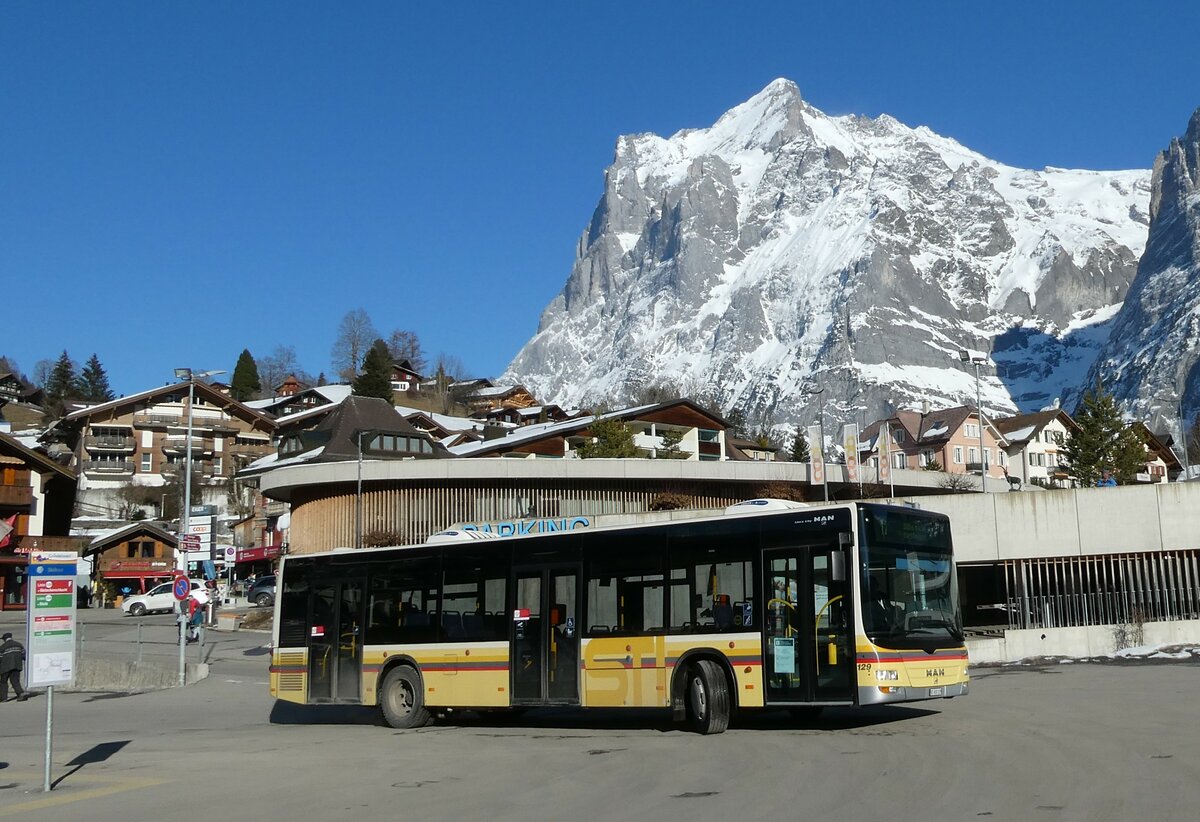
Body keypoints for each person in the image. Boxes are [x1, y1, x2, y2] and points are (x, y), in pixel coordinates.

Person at [0, 631, 28, 702]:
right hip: (17, 666)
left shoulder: (2, 647)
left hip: (5, 668)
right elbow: (23, 655)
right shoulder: (19, 645)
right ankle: (20, 694)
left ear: (4, 639)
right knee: (15, 681)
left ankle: (4, 698)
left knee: (3, 682)